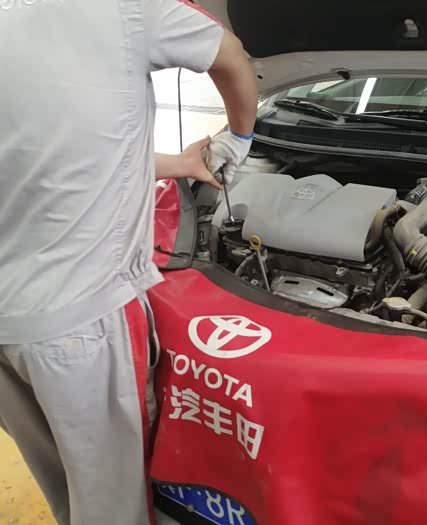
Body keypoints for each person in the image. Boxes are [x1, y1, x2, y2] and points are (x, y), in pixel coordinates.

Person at [0, 1, 258, 524]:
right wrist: (240, 137)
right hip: (84, 323)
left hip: (11, 322)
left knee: (66, 486)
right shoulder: (130, 8)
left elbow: (51, 147)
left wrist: (180, 163)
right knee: (114, 504)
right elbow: (232, 56)